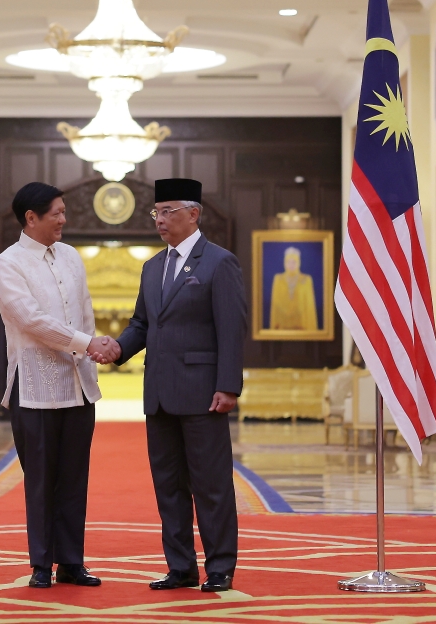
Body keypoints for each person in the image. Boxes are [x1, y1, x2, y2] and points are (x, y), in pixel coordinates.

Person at [92, 178, 247, 593]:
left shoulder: (219, 262)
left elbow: (231, 330)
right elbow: (143, 323)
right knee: (169, 487)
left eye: (167, 212)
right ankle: (180, 567)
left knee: (211, 487)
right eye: (156, 212)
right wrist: (116, 349)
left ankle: (219, 568)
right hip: (159, 394)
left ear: (193, 214)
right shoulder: (152, 267)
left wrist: (229, 386)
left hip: (203, 394)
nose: (159, 220)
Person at [0, 182, 118, 589]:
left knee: (74, 478)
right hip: (34, 388)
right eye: (57, 213)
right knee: (41, 479)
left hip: (77, 384)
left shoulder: (72, 257)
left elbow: (84, 311)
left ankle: (72, 562)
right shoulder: (7, 264)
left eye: (63, 211)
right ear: (31, 218)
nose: (64, 219)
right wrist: (85, 343)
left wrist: (91, 349)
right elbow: (30, 320)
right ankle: (41, 564)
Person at [267, 246, 317, 330]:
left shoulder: (306, 280)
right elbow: (275, 308)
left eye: (294, 262)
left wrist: (312, 331)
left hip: (302, 328)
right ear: (284, 262)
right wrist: (274, 329)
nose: (291, 265)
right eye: (288, 262)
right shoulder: (278, 279)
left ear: (299, 262)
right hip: (282, 328)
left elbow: (310, 308)